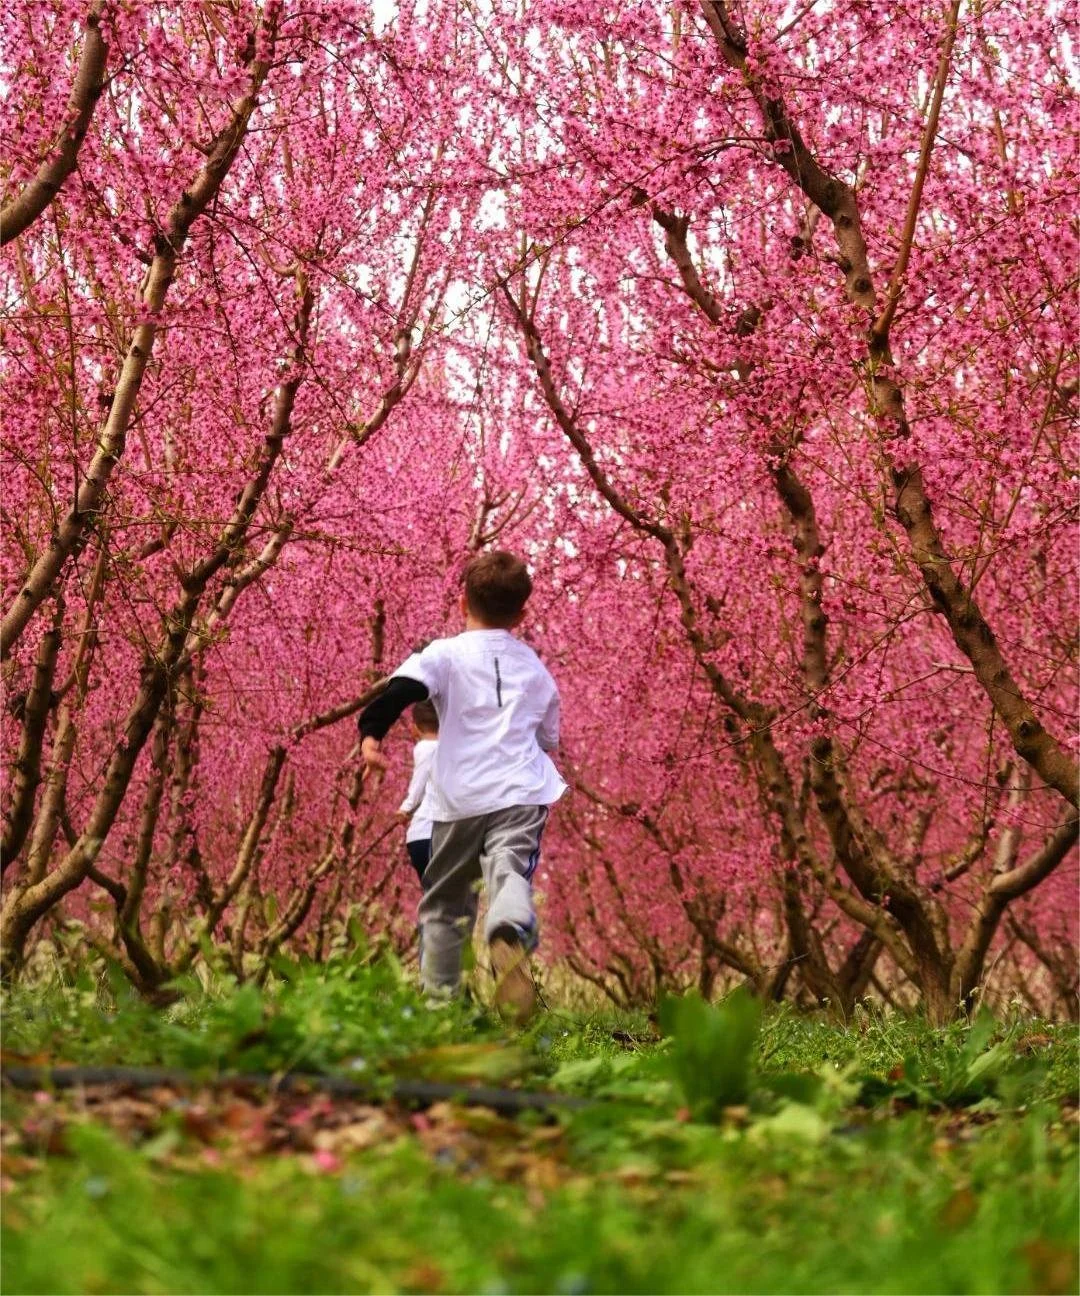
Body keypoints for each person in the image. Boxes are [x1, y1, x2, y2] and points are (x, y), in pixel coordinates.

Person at [358, 551, 564, 1021]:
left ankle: (439, 1006)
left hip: (459, 799)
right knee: (509, 868)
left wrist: (372, 733)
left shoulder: (444, 654)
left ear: (461, 601)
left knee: (446, 901)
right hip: (519, 792)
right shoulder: (535, 669)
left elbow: (402, 690)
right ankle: (508, 922)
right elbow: (549, 738)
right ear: (522, 613)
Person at [395, 700, 439, 883]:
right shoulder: (456, 749)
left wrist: (406, 808)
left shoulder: (424, 748)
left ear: (414, 728)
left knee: (434, 895)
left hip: (424, 836)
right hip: (449, 836)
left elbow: (419, 783)